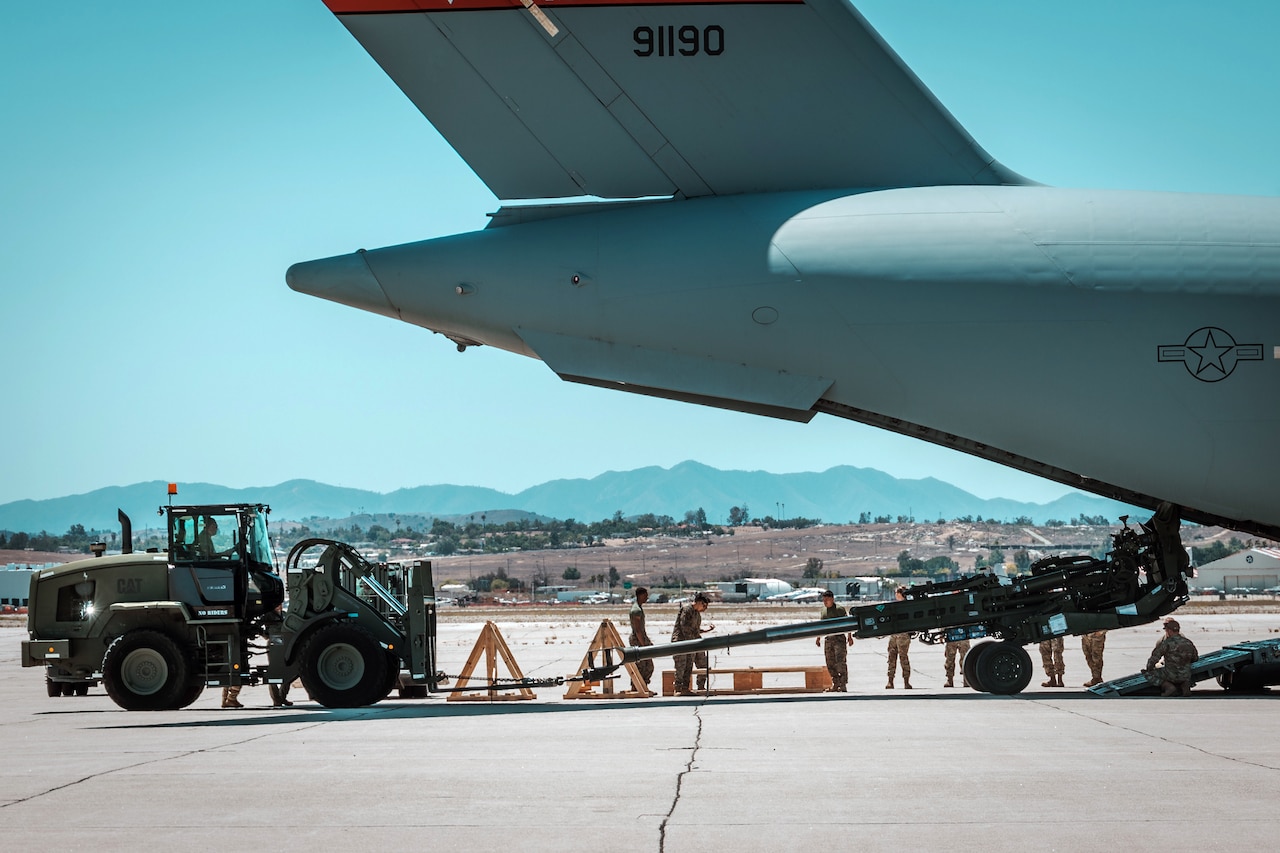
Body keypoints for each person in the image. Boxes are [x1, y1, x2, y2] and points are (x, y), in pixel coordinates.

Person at [671, 592, 713, 695]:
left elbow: (695, 630)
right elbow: (685, 628)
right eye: (704, 605)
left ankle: (693, 687)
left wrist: (705, 631)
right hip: (681, 642)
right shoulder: (687, 610)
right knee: (682, 665)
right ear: (698, 602)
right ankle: (679, 688)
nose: (705, 608)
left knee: (695, 664)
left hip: (692, 642)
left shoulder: (697, 614)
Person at [1144, 618, 1199, 696]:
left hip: (1170, 675)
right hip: (1185, 675)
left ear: (1169, 631)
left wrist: (1149, 668)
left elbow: (1154, 658)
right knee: (1186, 672)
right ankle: (1185, 685)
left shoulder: (1166, 643)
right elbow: (1195, 658)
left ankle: (1169, 687)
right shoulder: (1188, 642)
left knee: (1148, 674)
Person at [814, 590, 853, 692]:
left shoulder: (839, 610)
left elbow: (847, 623)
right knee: (830, 662)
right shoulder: (823, 610)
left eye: (827, 600)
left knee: (840, 662)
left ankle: (843, 684)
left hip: (839, 639)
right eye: (823, 600)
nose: (825, 602)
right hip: (828, 639)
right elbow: (821, 626)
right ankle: (835, 684)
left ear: (832, 599)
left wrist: (849, 637)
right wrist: (818, 638)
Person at [886, 586, 912, 689]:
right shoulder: (894, 606)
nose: (896, 595)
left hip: (903, 635)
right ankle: (890, 681)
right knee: (891, 658)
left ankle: (906, 681)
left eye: (897, 593)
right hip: (894, 635)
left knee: (903, 658)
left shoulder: (907, 606)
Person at [628, 587, 654, 691]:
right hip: (637, 640)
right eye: (645, 595)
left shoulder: (638, 608)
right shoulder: (636, 610)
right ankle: (636, 687)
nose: (647, 598)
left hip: (641, 638)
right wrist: (643, 644)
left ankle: (643, 687)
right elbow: (638, 630)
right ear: (640, 595)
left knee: (648, 666)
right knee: (641, 666)